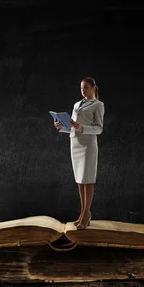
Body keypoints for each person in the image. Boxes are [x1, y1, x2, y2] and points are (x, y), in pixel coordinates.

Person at [54, 77, 105, 229]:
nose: (83, 91)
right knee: (80, 180)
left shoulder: (98, 105)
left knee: (87, 179)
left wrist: (82, 128)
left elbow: (99, 128)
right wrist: (61, 127)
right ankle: (83, 214)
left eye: (86, 88)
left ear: (93, 88)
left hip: (88, 145)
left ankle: (86, 214)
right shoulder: (77, 104)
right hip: (75, 144)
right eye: (81, 88)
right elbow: (73, 127)